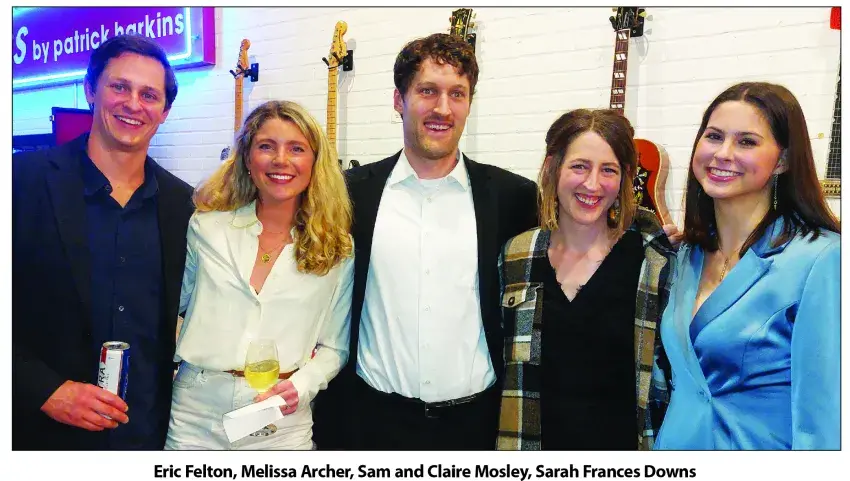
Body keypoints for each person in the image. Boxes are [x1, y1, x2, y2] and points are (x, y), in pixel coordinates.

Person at [312, 33, 539, 450]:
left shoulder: (514, 198)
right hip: (370, 424)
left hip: (476, 428)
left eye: (457, 94)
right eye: (427, 91)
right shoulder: (350, 193)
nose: (442, 108)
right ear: (399, 100)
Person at [12, 34, 194, 450]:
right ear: (90, 90)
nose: (133, 104)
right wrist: (43, 388)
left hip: (145, 434)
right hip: (39, 435)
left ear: (164, 111)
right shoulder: (21, 181)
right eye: (120, 87)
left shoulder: (182, 205)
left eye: (149, 95)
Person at [654, 82, 840, 450]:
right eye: (714, 136)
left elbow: (824, 419)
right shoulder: (686, 255)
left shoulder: (821, 259)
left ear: (783, 160)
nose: (723, 153)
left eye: (747, 142)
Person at [165, 100, 354, 450]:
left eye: (296, 149)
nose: (281, 160)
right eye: (267, 146)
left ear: (315, 163)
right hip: (195, 414)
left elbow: (335, 346)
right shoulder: (207, 228)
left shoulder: (336, 248)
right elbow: (167, 307)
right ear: (247, 159)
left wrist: (302, 386)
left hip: (281, 420)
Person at [496, 109, 675, 450]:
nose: (592, 184)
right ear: (552, 168)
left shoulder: (654, 260)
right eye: (579, 166)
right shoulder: (516, 256)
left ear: (625, 178)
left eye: (608, 170)